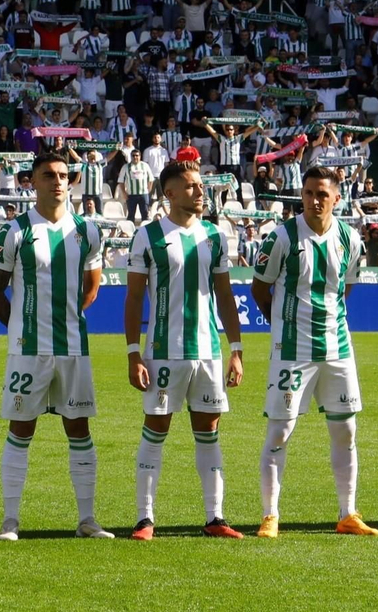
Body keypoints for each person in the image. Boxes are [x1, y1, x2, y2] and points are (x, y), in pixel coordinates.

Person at [0, 151, 112, 541]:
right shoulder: (14, 231)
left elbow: (92, 287)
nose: (57, 182)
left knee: (79, 429)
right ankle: (10, 520)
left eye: (62, 175)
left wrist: (66, 319)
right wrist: (22, 328)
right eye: (47, 175)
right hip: (28, 350)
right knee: (21, 428)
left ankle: (87, 519)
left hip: (74, 347)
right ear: (32, 182)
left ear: (70, 181)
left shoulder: (88, 231)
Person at [250, 165, 378, 539]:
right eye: (308, 193)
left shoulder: (350, 239)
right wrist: (284, 325)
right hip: (292, 350)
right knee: (280, 430)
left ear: (336, 198)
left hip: (338, 347)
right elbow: (261, 291)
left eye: (322, 194)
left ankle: (347, 513)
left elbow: (346, 289)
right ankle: (270, 515)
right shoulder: (281, 238)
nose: (314, 200)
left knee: (346, 430)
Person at [124, 161, 246, 541]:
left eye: (201, 186)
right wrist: (133, 352)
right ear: (170, 194)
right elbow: (132, 299)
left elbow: (225, 296)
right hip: (163, 352)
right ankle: (144, 519)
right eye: (191, 186)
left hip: (207, 352)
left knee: (209, 432)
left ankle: (215, 517)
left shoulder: (215, 236)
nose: (199, 192)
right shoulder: (148, 236)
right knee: (156, 430)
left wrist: (236, 349)